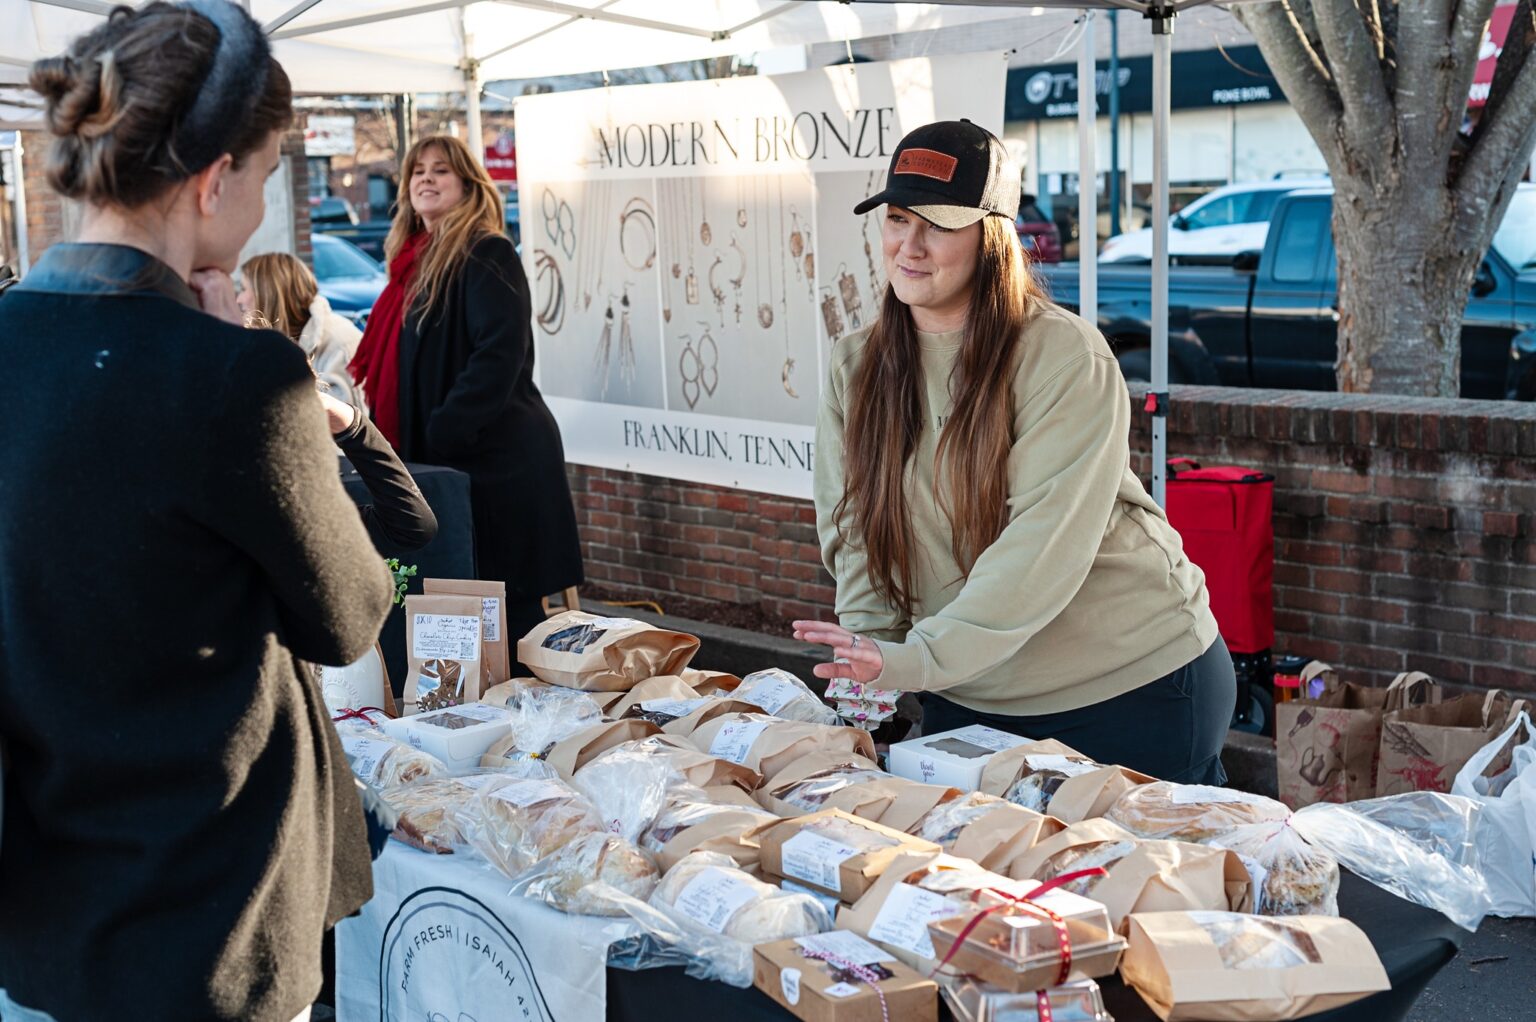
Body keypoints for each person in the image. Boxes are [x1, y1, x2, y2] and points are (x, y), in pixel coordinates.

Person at [0, 5, 394, 1021]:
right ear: (214, 180)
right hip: (209, 919)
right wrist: (251, 368)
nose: (260, 208)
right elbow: (351, 612)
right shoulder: (233, 380)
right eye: (264, 174)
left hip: (40, 914)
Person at [795, 120, 1234, 784]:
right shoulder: (856, 365)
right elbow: (856, 529)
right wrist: (869, 670)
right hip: (968, 685)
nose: (910, 246)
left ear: (990, 235)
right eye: (897, 219)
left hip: (1126, 684)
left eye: (938, 225)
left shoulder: (1063, 355)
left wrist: (914, 659)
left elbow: (1041, 547)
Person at [350, 134, 583, 651]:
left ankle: (526, 703)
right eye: (417, 171)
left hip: (494, 460)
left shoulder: (486, 251)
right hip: (451, 464)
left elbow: (499, 354)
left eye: (441, 170)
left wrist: (443, 430)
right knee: (462, 612)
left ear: (468, 185)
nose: (426, 179)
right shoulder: (412, 265)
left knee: (510, 616)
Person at [237, 254, 438, 553]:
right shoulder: (238, 511)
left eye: (243, 288)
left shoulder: (336, 342)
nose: (239, 298)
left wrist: (350, 425)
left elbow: (413, 526)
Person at [238, 251, 365, 407]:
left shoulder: (339, 343)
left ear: (268, 293)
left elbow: (349, 419)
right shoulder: (278, 340)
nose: (238, 299)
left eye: (243, 289)